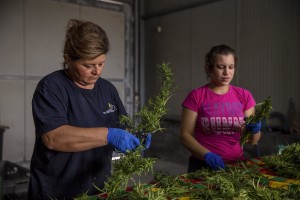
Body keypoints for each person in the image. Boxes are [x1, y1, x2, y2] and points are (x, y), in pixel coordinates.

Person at [28, 19, 151, 199]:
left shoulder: (108, 89)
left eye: (101, 63)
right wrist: (109, 135)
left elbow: (121, 125)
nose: (97, 71)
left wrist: (136, 134)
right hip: (57, 192)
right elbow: (53, 137)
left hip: (98, 189)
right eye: (88, 65)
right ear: (68, 59)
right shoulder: (52, 87)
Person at [180, 44, 261, 172]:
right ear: (209, 68)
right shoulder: (196, 96)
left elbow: (252, 141)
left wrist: (255, 131)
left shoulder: (244, 95)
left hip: (236, 167)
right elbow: (185, 135)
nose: (227, 73)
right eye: (221, 67)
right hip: (202, 166)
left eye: (231, 67)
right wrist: (207, 155)